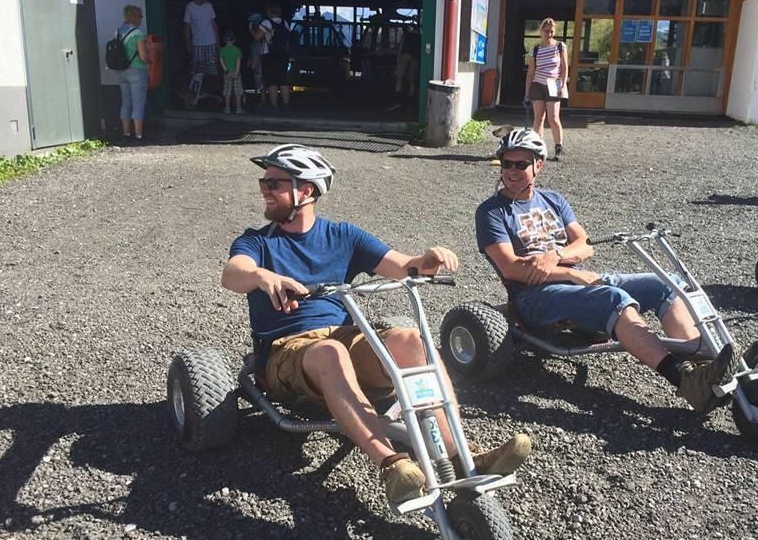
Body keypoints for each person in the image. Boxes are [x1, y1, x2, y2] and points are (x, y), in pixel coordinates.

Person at [222, 144, 531, 506]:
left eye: (273, 183)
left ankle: (462, 454)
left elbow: (402, 267)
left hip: (343, 338)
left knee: (411, 339)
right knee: (330, 352)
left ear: (305, 190)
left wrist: (428, 260)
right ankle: (393, 465)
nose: (264, 189)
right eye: (264, 182)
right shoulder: (257, 242)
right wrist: (262, 276)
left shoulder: (342, 235)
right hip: (287, 351)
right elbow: (233, 273)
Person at [476, 129, 758, 416]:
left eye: (521, 164)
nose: (511, 171)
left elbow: (585, 245)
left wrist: (557, 256)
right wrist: (572, 275)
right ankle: (685, 381)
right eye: (507, 163)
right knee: (613, 298)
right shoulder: (491, 212)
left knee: (667, 283)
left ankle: (704, 366)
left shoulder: (553, 200)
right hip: (534, 297)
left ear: (539, 165)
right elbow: (511, 268)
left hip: (576, 283)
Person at [524, 18, 568, 161]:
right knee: (539, 118)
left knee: (553, 117)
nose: (549, 34)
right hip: (537, 85)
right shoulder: (535, 50)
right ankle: (538, 148)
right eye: (546, 31)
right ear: (541, 31)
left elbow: (564, 67)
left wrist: (563, 85)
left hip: (554, 85)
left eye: (551, 31)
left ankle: (558, 147)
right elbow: (530, 72)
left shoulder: (560, 47)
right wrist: (527, 92)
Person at [115, 5, 149, 145]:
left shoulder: (118, 32)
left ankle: (126, 134)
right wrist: (149, 62)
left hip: (121, 71)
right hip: (137, 71)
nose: (141, 19)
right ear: (135, 17)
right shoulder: (138, 33)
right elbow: (143, 56)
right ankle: (138, 136)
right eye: (140, 16)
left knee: (125, 102)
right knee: (138, 102)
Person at [252, 4, 293, 111]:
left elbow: (257, 38)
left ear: (269, 12)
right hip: (283, 55)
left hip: (269, 55)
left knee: (272, 81)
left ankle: (274, 105)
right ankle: (286, 105)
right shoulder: (284, 23)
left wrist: (251, 30)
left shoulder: (266, 23)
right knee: (283, 80)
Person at [183, 0, 219, 78]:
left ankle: (210, 86)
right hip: (197, 43)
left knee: (212, 70)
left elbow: (214, 24)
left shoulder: (209, 6)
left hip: (211, 42)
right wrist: (188, 45)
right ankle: (199, 87)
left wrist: (217, 42)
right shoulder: (189, 7)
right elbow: (187, 27)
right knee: (198, 71)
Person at [388, 23, 421, 110]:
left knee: (399, 78)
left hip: (405, 56)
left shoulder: (405, 35)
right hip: (415, 58)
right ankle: (410, 103)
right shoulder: (419, 36)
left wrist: (398, 58)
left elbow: (401, 47)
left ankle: (398, 101)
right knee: (412, 81)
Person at [219, 30, 244, 114]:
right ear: (234, 40)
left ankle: (227, 108)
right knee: (238, 91)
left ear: (224, 40)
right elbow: (238, 61)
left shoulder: (222, 50)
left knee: (227, 91)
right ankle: (238, 108)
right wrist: (236, 72)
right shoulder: (237, 50)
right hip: (236, 72)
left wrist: (226, 71)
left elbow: (221, 61)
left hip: (227, 73)